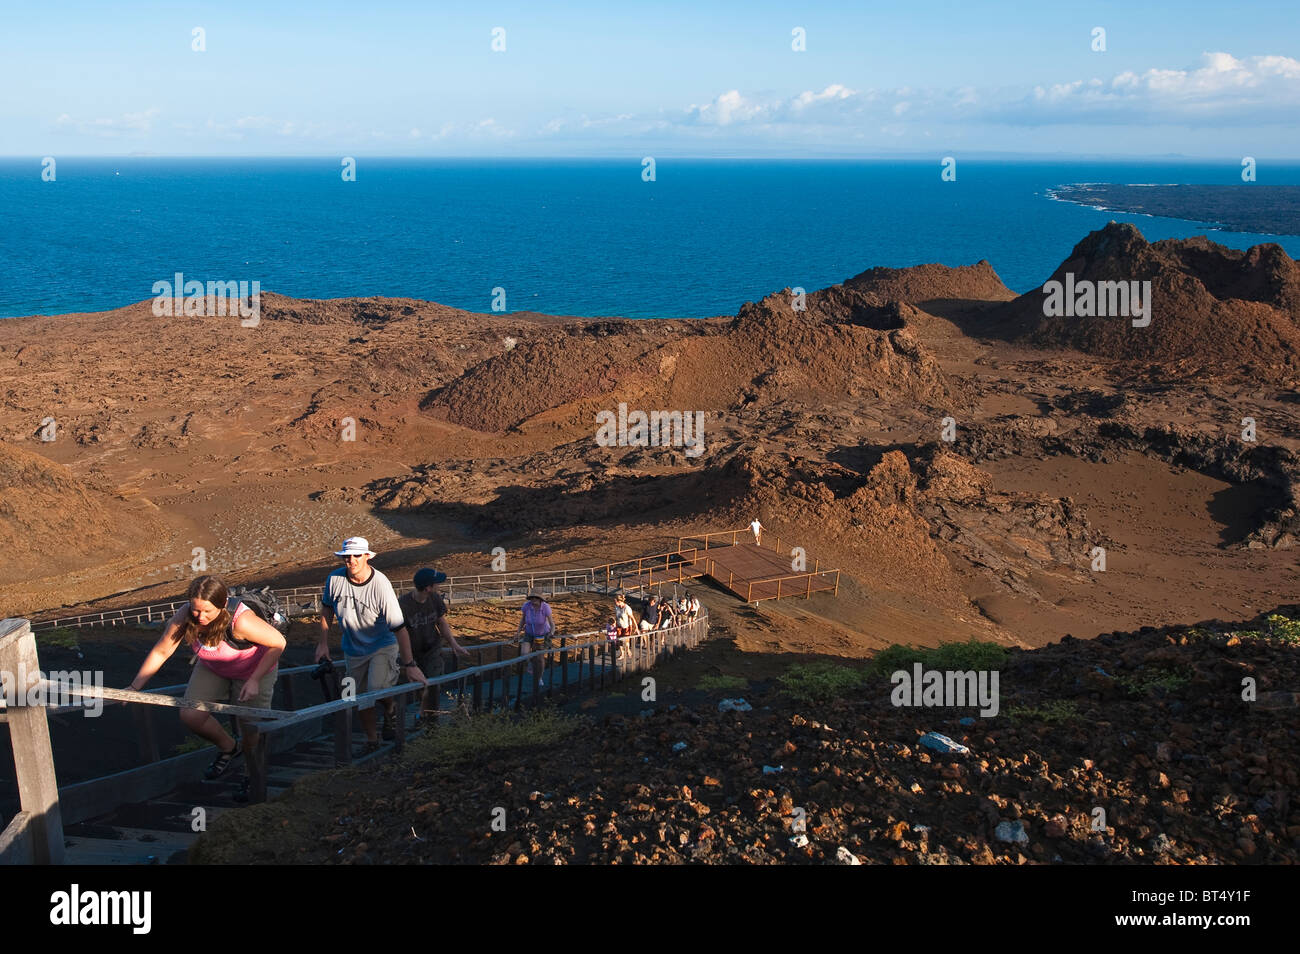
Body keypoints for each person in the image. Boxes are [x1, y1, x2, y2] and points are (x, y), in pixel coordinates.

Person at [129, 575, 285, 782]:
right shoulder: (185, 616)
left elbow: (278, 643)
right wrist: (134, 686)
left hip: (254, 670)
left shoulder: (242, 621)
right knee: (191, 714)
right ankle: (229, 747)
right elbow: (162, 651)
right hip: (214, 666)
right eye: (196, 609)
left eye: (207, 611)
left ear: (222, 605)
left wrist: (255, 679)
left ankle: (252, 774)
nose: (200, 616)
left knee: (249, 725)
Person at [317, 537, 426, 752]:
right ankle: (372, 739)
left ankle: (390, 708)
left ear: (367, 556)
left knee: (375, 689)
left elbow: (399, 628)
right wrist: (323, 644)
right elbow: (327, 608)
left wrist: (410, 665)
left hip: (381, 645)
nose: (352, 561)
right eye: (347, 556)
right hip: (353, 648)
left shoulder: (381, 585)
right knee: (355, 697)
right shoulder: (334, 579)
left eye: (357, 555)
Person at [399, 567, 470, 718]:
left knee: (433, 684)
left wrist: (454, 644)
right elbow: (398, 632)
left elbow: (441, 622)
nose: (439, 586)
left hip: (432, 648)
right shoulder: (402, 605)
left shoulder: (435, 599)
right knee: (420, 685)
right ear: (428, 588)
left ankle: (429, 716)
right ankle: (425, 712)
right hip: (412, 652)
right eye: (436, 584)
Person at [514, 592, 554, 698]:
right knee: (524, 653)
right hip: (529, 633)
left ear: (540, 599)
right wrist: (517, 633)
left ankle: (539, 677)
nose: (533, 600)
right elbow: (523, 620)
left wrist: (552, 632)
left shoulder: (545, 607)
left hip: (542, 635)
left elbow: (551, 622)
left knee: (540, 658)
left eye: (536, 598)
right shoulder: (526, 606)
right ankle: (530, 664)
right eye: (532, 598)